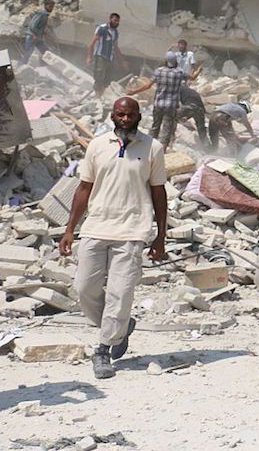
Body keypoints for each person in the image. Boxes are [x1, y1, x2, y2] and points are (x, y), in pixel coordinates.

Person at [59, 97, 167, 379]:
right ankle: (121, 325)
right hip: (96, 227)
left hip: (133, 231)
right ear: (112, 115)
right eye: (120, 114)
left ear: (138, 116)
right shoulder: (97, 145)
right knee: (84, 289)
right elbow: (84, 188)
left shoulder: (152, 148)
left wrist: (160, 237)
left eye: (130, 115)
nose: (125, 119)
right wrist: (70, 229)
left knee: (121, 293)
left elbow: (159, 194)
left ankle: (104, 349)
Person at [127, 51, 185, 150]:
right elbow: (192, 77)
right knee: (167, 128)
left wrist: (134, 91)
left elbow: (148, 85)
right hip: (171, 105)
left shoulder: (159, 71)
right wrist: (198, 72)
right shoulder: (179, 72)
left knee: (155, 126)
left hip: (158, 104)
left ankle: (148, 147)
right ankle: (162, 150)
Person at [87, 13, 127, 98]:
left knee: (108, 78)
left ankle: (101, 95)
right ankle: (97, 96)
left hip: (110, 58)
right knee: (99, 76)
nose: (116, 23)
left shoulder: (115, 32)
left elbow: (115, 47)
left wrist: (122, 60)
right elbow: (91, 43)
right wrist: (89, 57)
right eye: (115, 20)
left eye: (118, 21)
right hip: (100, 56)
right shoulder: (102, 29)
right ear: (110, 19)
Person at [21, 0, 55, 64]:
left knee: (45, 51)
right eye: (50, 6)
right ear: (45, 6)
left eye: (52, 7)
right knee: (28, 53)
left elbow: (38, 26)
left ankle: (51, 65)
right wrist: (34, 35)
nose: (52, 8)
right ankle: (21, 67)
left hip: (37, 37)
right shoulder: (43, 15)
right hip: (32, 37)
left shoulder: (43, 14)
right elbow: (33, 25)